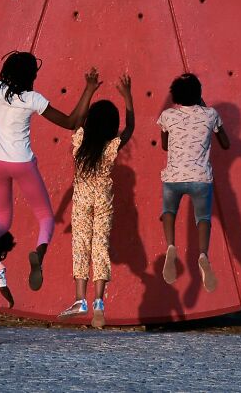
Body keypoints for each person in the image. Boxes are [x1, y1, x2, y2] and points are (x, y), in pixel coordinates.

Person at [0, 19, 101, 289]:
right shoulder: (33, 99)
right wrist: (88, 90)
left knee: (2, 219)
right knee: (45, 217)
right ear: (31, 77)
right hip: (22, 164)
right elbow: (71, 122)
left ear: (7, 71)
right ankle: (38, 255)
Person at [58, 75, 134, 328]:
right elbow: (130, 129)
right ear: (112, 125)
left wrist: (88, 90)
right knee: (100, 247)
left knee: (80, 246)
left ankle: (80, 299)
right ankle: (99, 302)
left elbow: (77, 122)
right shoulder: (111, 146)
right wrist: (128, 97)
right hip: (103, 201)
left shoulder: (80, 142)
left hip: (81, 201)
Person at [157, 73, 230, 292]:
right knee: (203, 219)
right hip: (200, 178)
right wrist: (205, 110)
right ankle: (203, 255)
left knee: (169, 211)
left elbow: (165, 146)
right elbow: (225, 144)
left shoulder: (167, 115)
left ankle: (171, 245)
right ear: (200, 94)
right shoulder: (211, 115)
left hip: (174, 178)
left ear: (175, 96)